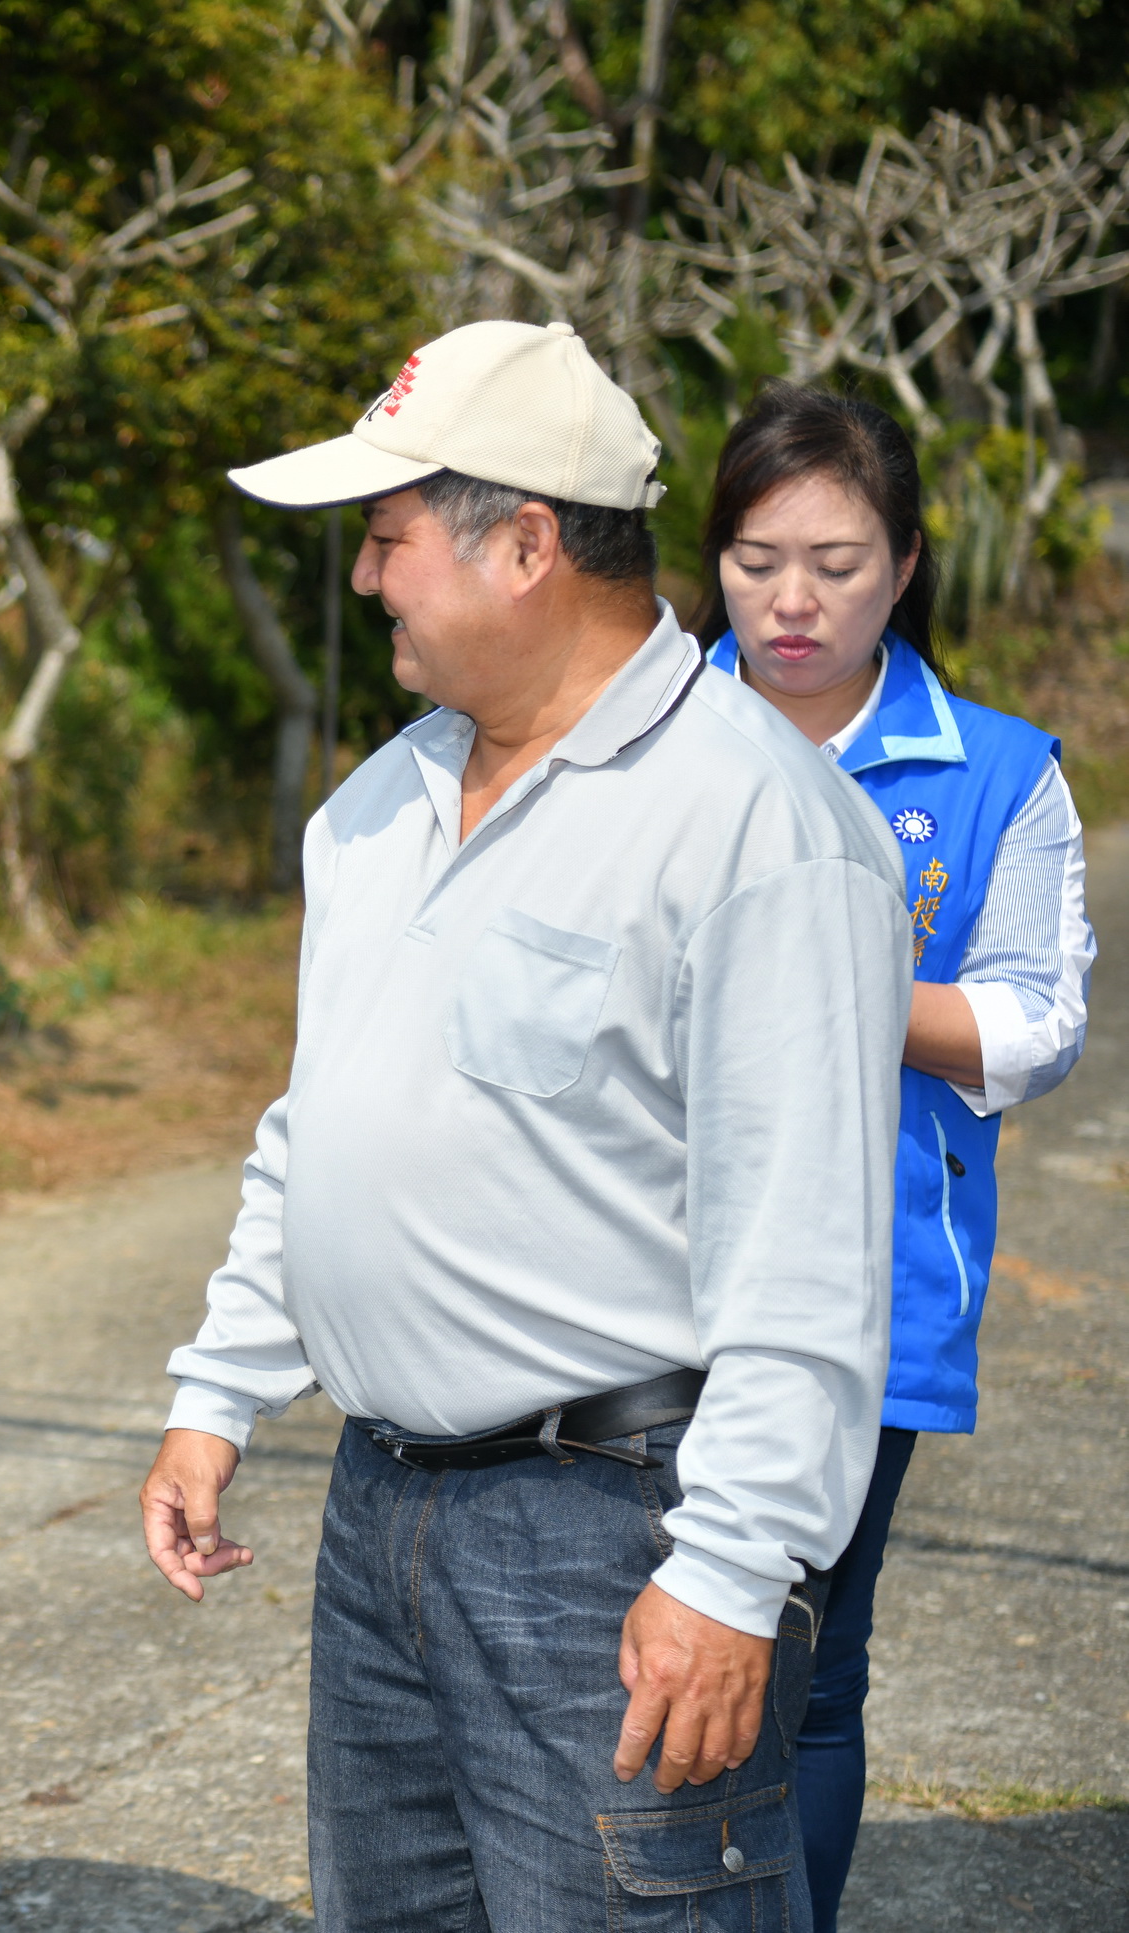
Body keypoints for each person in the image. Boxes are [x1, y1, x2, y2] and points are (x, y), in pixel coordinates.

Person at [136, 320, 912, 1931]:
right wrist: (219, 1393)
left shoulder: (755, 823)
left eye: (388, 539)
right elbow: (319, 1130)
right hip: (384, 1526)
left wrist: (729, 1571)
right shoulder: (378, 809)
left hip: (615, 1542)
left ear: (528, 545)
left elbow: (811, 1256)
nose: (364, 582)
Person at [694, 380, 1094, 1931]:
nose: (792, 601)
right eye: (754, 557)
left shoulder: (997, 772)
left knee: (804, 1667)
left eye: (839, 562)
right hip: (633, 1281)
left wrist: (826, 971)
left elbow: (1031, 1026)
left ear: (910, 562)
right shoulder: (639, 728)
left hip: (876, 1300)